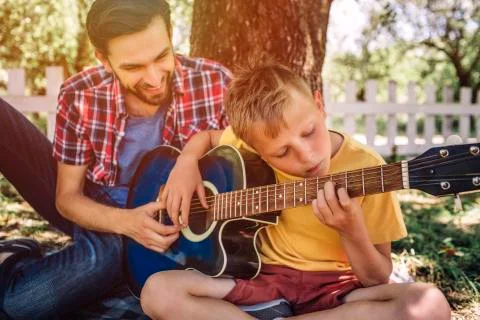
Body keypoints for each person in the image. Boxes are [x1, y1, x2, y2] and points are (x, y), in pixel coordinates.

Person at [139, 63, 452, 320]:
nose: (306, 156)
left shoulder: (369, 167)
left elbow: (376, 277)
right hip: (261, 280)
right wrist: (187, 161)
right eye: (282, 152)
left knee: (429, 304)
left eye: (309, 132)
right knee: (156, 291)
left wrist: (351, 230)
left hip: (338, 293)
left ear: (319, 104)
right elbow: (207, 138)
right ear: (255, 150)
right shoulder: (246, 143)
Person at [0, 0, 231, 318]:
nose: (153, 78)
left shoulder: (214, 82)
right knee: (92, 264)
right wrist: (126, 224)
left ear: (170, 34)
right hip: (101, 205)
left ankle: (19, 259)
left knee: (19, 306)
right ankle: (18, 255)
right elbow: (67, 198)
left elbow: (250, 163)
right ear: (103, 60)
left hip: (170, 223)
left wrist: (189, 161)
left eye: (161, 56)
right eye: (133, 67)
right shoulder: (79, 94)